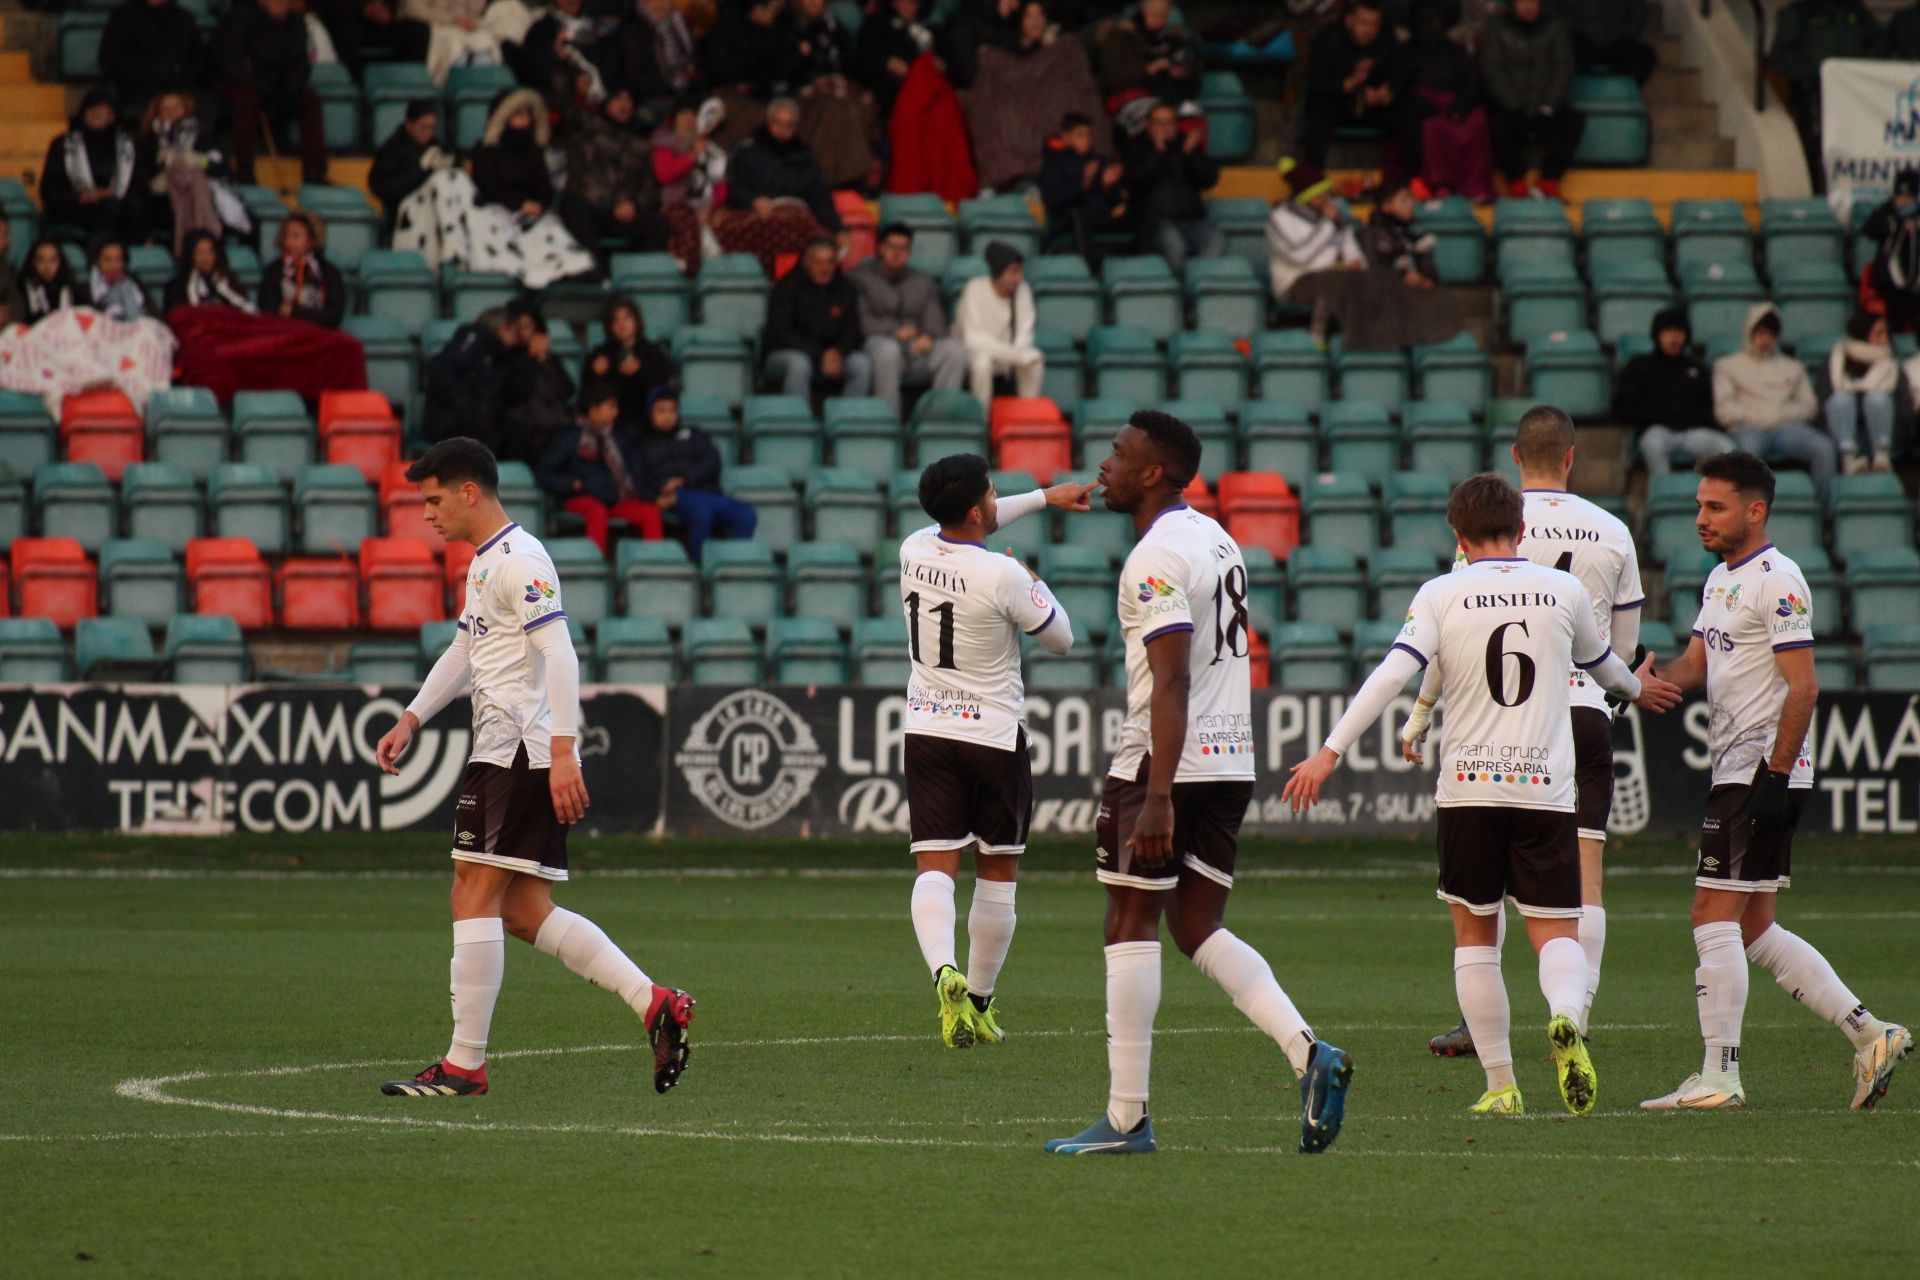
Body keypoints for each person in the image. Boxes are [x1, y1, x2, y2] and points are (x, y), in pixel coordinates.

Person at [1285, 472, 1678, 1116]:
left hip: (1468, 789)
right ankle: (1564, 1018)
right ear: (1522, 531)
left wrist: (1330, 752)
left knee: (1474, 934)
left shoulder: (1441, 592)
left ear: (1458, 537)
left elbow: (1392, 675)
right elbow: (1605, 666)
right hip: (1543, 789)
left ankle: (1501, 1085)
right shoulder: (1564, 589)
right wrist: (1639, 690)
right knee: (1556, 932)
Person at [1046, 410, 1354, 1158]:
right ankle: (1308, 1052)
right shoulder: (1215, 536)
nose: (1106, 464)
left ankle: (1126, 1121)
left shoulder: (1152, 560)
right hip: (1230, 761)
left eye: (1119, 454)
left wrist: (1155, 793)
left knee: (1129, 924)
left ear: (1154, 472)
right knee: (1196, 925)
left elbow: (1173, 680)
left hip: (1168, 766)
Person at [374, 437, 696, 1100]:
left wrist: (562, 751)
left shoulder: (520, 559)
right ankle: (654, 1001)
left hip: (515, 752)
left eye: (435, 499)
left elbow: (564, 655)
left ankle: (465, 1064)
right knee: (522, 909)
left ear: (470, 492)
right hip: (508, 750)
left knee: (471, 889)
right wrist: (413, 717)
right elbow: (466, 649)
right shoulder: (488, 562)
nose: (428, 514)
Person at [1639, 451, 1910, 1112]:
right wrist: (1635, 680)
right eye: (1700, 505)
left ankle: (1720, 1075)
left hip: (1759, 771)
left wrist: (1775, 777)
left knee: (1710, 914)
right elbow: (1695, 666)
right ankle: (1872, 1034)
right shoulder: (1720, 580)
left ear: (1754, 511)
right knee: (1754, 926)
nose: (1700, 517)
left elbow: (1805, 686)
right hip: (1741, 768)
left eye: (1715, 506)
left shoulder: (1779, 580)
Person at [1408, 408, 1648, 1059]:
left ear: (1516, 457)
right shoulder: (1612, 531)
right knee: (1580, 879)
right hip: (1584, 710)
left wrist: (1424, 710)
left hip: (1497, 716)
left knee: (1483, 884)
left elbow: (1450, 630)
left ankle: (1481, 1022)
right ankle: (1575, 1013)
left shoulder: (1484, 525)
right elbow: (1619, 653)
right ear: (1571, 457)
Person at [900, 456, 1088, 1049]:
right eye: (991, 494)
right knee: (998, 871)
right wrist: (1033, 580)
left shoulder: (913, 547)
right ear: (978, 509)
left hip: (928, 729)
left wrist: (1041, 497)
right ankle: (978, 1000)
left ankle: (943, 973)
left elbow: (977, 523)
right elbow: (1062, 640)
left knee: (936, 867)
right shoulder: (1003, 576)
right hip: (992, 737)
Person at [1712, 303, 1832, 502]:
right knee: (1748, 454)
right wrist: (1759, 416)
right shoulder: (1727, 366)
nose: (1765, 340)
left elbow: (1809, 406)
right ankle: (1747, 518)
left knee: (1824, 448)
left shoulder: (1793, 367)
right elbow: (1724, 411)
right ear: (1749, 332)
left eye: (1770, 334)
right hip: (1748, 428)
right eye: (1759, 333)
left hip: (1786, 429)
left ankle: (1824, 513)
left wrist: (1779, 415)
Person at [850, 223, 967, 417]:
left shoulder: (922, 281)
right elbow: (860, 320)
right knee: (888, 350)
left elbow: (935, 318)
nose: (897, 253)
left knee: (953, 352)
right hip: (878, 343)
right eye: (892, 247)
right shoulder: (860, 277)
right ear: (881, 248)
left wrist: (928, 336)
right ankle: (889, 422)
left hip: (916, 348)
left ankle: (937, 423)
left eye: (903, 248)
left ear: (910, 251)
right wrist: (894, 331)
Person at [209, 0, 329, 186]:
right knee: (246, 98)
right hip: (247, 85)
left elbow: (301, 65)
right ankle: (244, 169)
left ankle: (315, 172)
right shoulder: (240, 17)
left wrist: (290, 88)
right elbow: (228, 60)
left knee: (310, 100)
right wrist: (253, 81)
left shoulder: (296, 23)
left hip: (282, 88)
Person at [537, 379, 663, 555]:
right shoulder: (571, 437)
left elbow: (633, 472)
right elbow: (545, 471)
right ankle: (594, 565)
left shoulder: (618, 437)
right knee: (597, 511)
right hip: (581, 498)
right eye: (610, 407)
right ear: (593, 409)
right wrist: (572, 484)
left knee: (649, 513)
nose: (615, 412)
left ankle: (653, 563)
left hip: (615, 498)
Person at [631, 388, 757, 561]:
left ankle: (731, 565)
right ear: (649, 413)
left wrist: (684, 479)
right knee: (702, 512)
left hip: (706, 491)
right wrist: (653, 497)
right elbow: (637, 477)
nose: (667, 416)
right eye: (661, 411)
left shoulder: (695, 435)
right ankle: (699, 569)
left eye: (672, 411)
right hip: (674, 496)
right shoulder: (640, 443)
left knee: (746, 514)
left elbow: (713, 462)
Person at [1289, 0, 1401, 192]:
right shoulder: (1328, 39)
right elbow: (1316, 81)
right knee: (1320, 106)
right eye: (1363, 23)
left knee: (1408, 109)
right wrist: (1347, 84)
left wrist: (1385, 93)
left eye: (1374, 24)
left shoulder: (1386, 41)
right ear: (1349, 21)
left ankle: (1400, 183)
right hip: (1339, 105)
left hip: (1373, 109)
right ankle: (1313, 182)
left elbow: (1401, 72)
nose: (1370, 30)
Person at [721, 98, 845, 272]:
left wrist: (838, 229)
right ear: (768, 122)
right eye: (777, 123)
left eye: (789, 125)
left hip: (794, 225)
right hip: (756, 220)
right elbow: (733, 187)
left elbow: (820, 199)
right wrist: (753, 200)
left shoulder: (805, 158)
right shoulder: (747, 152)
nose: (782, 130)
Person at [1479, 0, 1583, 200]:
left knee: (1574, 120)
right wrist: (1512, 105)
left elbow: (1563, 67)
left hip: (1545, 107)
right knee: (1496, 123)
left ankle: (1549, 180)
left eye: (1534, 1)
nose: (1529, 6)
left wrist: (1548, 105)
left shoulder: (1555, 27)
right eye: (1523, 2)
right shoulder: (1497, 29)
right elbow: (1493, 70)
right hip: (1511, 108)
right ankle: (1516, 180)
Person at [1615, 307, 1731, 476]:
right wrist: (1658, 415)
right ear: (1658, 334)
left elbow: (1707, 411)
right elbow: (1623, 409)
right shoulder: (1639, 366)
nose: (1674, 337)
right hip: (1656, 431)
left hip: (1692, 432)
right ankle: (1665, 493)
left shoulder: (1696, 368)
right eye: (1668, 331)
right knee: (1653, 445)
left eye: (1679, 331)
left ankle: (1717, 498)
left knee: (1726, 447)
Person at [562, 88, 670, 258]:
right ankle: (592, 270)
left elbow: (650, 188)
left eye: (628, 100)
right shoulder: (587, 135)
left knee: (658, 224)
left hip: (624, 211)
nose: (624, 105)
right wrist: (613, 204)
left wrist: (634, 204)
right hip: (593, 207)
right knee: (573, 205)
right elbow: (581, 179)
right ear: (606, 103)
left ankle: (637, 277)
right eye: (618, 99)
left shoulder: (640, 144)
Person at [763, 238, 872, 400]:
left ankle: (848, 420)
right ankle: (799, 421)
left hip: (833, 356)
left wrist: (839, 353)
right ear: (806, 263)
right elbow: (781, 333)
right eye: (818, 262)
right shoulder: (786, 287)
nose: (824, 268)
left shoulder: (846, 289)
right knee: (799, 364)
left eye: (829, 263)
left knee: (861, 364)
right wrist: (820, 354)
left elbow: (853, 329)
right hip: (787, 355)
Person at [1122, 101, 1224, 273]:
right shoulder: (1137, 147)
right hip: (1157, 222)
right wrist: (1157, 153)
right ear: (1149, 125)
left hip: (1192, 221)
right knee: (1175, 246)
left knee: (1216, 240)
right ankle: (1176, 291)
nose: (1164, 128)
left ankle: (1198, 283)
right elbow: (1133, 183)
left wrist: (1190, 154)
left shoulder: (1187, 145)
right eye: (1159, 123)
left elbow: (1209, 179)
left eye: (1169, 122)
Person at [40, 88, 150, 245]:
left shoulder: (130, 146)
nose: (95, 113)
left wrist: (113, 194)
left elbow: (140, 186)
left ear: (113, 116)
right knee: (110, 207)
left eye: (102, 109)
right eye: (91, 109)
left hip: (120, 205)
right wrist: (82, 197)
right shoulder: (63, 145)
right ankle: (98, 256)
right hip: (78, 207)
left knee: (134, 208)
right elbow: (48, 190)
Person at [953, 242, 1044, 410]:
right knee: (982, 363)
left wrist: (1020, 355)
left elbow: (1025, 335)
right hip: (973, 355)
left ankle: (1027, 413)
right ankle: (983, 419)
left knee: (1034, 359)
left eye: (1020, 271)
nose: (1019, 278)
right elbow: (973, 339)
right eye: (1013, 272)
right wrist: (1016, 356)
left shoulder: (1023, 290)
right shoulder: (974, 289)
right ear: (998, 273)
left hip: (1010, 356)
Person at [424, 306, 523, 448]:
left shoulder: (500, 355)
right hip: (450, 422)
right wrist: (468, 408)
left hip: (478, 423)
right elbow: (442, 371)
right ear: (503, 329)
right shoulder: (474, 338)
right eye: (515, 332)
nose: (518, 339)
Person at [1041, 112, 1127, 258]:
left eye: (1089, 135)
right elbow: (1053, 199)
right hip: (1067, 220)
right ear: (1066, 137)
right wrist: (1084, 183)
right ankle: (1088, 266)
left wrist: (1108, 186)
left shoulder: (1099, 161)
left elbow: (1115, 200)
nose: (1086, 140)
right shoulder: (1054, 163)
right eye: (1080, 135)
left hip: (1101, 217)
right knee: (1079, 213)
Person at [1265, 176, 1364, 300]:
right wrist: (1329, 224)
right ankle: (1321, 320)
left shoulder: (1334, 215)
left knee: (1378, 282)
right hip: (1296, 282)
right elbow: (1298, 257)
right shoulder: (1280, 218)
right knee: (1335, 284)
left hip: (1338, 277)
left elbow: (1351, 249)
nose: (1323, 196)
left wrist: (1355, 262)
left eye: (1325, 192)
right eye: (1317, 193)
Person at [1824, 310, 1898, 474]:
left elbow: (1903, 406)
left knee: (1877, 398)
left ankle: (1882, 459)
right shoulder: (1837, 360)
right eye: (1878, 334)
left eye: (1886, 333)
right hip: (1843, 431)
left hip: (1887, 432)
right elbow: (1825, 399)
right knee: (1840, 400)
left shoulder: (1892, 364)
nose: (1885, 339)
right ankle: (1849, 461)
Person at [100, 0, 204, 114]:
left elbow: (197, 57)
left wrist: (180, 82)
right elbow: (110, 58)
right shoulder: (123, 16)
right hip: (136, 90)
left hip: (179, 88)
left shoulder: (184, 17)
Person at [585, 297, 677, 426]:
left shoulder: (653, 353)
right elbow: (587, 397)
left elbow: (663, 392)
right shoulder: (600, 355)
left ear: (637, 321)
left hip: (645, 426)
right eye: (615, 320)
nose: (621, 324)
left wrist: (639, 372)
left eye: (627, 318)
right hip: (611, 426)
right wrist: (596, 374)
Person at [369, 102, 453, 235]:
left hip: (435, 220)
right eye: (423, 127)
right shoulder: (391, 149)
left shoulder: (437, 147)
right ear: (409, 125)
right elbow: (380, 186)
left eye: (432, 128)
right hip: (402, 221)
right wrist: (420, 172)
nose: (428, 133)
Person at [258, 210, 346, 327]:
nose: (288, 241)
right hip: (283, 333)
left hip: (319, 334)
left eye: (295, 236)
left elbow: (333, 315)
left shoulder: (328, 272)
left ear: (311, 240)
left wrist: (294, 311)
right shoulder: (273, 271)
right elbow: (268, 308)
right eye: (286, 235)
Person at [855, 0, 937, 117]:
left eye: (912, 2)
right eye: (901, 1)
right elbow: (863, 60)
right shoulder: (875, 25)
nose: (906, 6)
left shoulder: (930, 31)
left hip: (926, 87)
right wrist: (887, 62)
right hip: (891, 91)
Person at [1863, 170, 1920, 333]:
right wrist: (1895, 225)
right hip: (1890, 283)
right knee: (1895, 307)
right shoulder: (1885, 212)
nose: (1903, 201)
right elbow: (1869, 229)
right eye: (1900, 197)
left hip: (1916, 282)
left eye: (1908, 197)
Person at [623, 0, 702, 115]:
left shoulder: (686, 16)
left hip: (699, 80)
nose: (659, 3)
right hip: (665, 93)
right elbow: (640, 75)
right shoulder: (634, 32)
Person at [1560, 0, 1654, 84]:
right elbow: (1558, 15)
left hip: (1619, 40)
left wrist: (1623, 32)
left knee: (1644, 55)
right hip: (1581, 40)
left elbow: (1638, 16)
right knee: (1568, 54)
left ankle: (1621, 91)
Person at [164, 229, 257, 312]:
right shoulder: (177, 287)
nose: (206, 258)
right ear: (190, 255)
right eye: (200, 253)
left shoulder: (230, 282)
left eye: (210, 252)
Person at [86, 237, 148, 321]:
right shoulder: (86, 291)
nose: (114, 265)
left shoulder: (134, 282)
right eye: (107, 260)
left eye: (118, 259)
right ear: (97, 261)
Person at [18, 239, 78, 323]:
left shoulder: (72, 289)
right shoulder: (22, 289)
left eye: (52, 260)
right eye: (41, 260)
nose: (47, 266)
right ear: (33, 262)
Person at [0, 214, 21, 326]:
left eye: (6, 235)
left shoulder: (4, 267)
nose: (7, 242)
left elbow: (17, 304)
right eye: (1, 235)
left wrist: (6, 313)